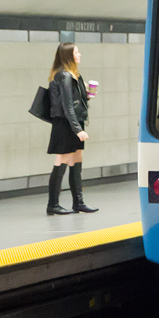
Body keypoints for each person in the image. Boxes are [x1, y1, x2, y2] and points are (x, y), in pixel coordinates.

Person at [47, 43, 98, 215]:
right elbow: (67, 106)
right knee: (61, 161)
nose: (79, 54)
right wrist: (78, 130)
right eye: (76, 52)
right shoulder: (65, 76)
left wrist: (88, 96)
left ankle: (79, 202)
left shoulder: (72, 75)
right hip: (66, 125)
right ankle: (53, 204)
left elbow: (75, 103)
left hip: (73, 122)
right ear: (69, 56)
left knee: (76, 161)